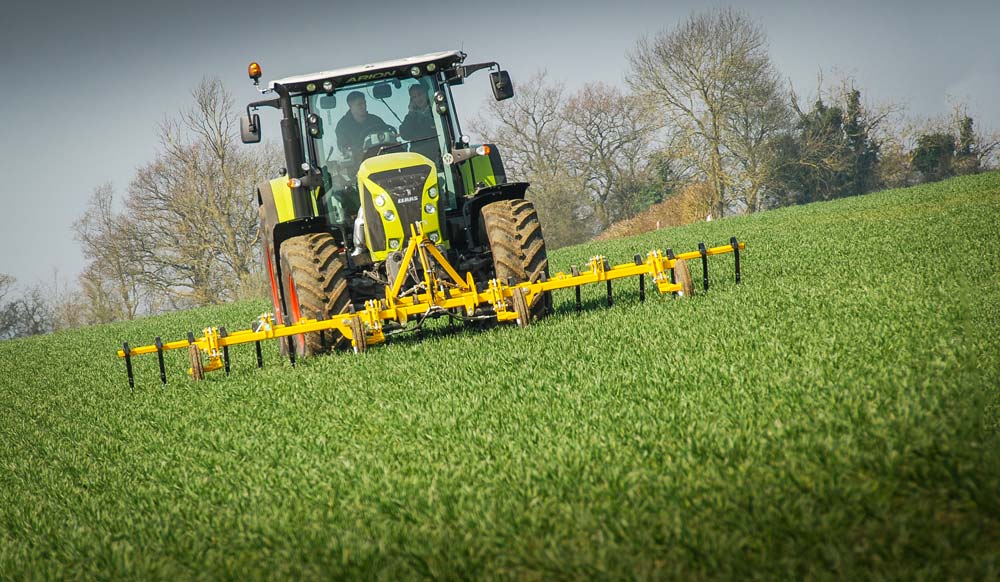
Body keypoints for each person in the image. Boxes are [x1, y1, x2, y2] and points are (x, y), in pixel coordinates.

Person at [335, 91, 393, 160]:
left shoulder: (376, 121)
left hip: (380, 159)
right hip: (356, 166)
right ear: (350, 106)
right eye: (360, 104)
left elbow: (389, 139)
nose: (364, 106)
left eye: (365, 103)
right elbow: (344, 148)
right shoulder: (342, 126)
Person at [398, 84, 441, 164]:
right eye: (414, 97)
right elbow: (405, 135)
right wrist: (411, 113)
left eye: (420, 94)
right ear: (411, 101)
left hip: (438, 154)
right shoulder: (411, 118)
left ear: (426, 94)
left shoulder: (436, 112)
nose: (418, 99)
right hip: (419, 159)